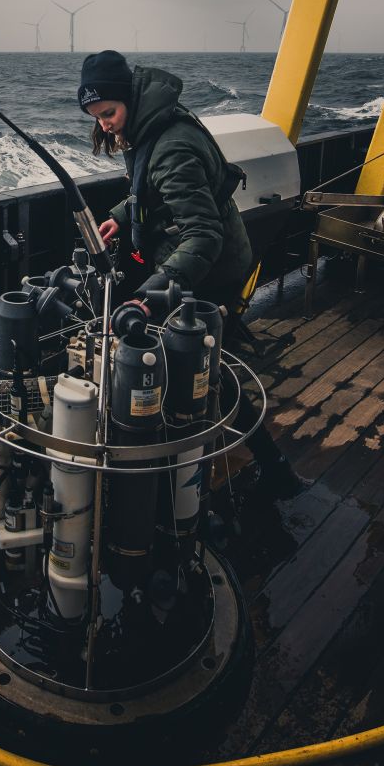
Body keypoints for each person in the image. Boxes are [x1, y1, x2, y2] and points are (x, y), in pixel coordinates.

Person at [77, 49, 302, 500]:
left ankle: (273, 471)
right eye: (95, 116)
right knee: (194, 362)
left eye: (108, 112)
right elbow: (152, 191)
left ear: (128, 99)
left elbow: (203, 235)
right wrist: (122, 216)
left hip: (212, 266)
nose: (103, 124)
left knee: (206, 366)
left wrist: (151, 294)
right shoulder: (147, 125)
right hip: (185, 255)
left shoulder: (171, 143)